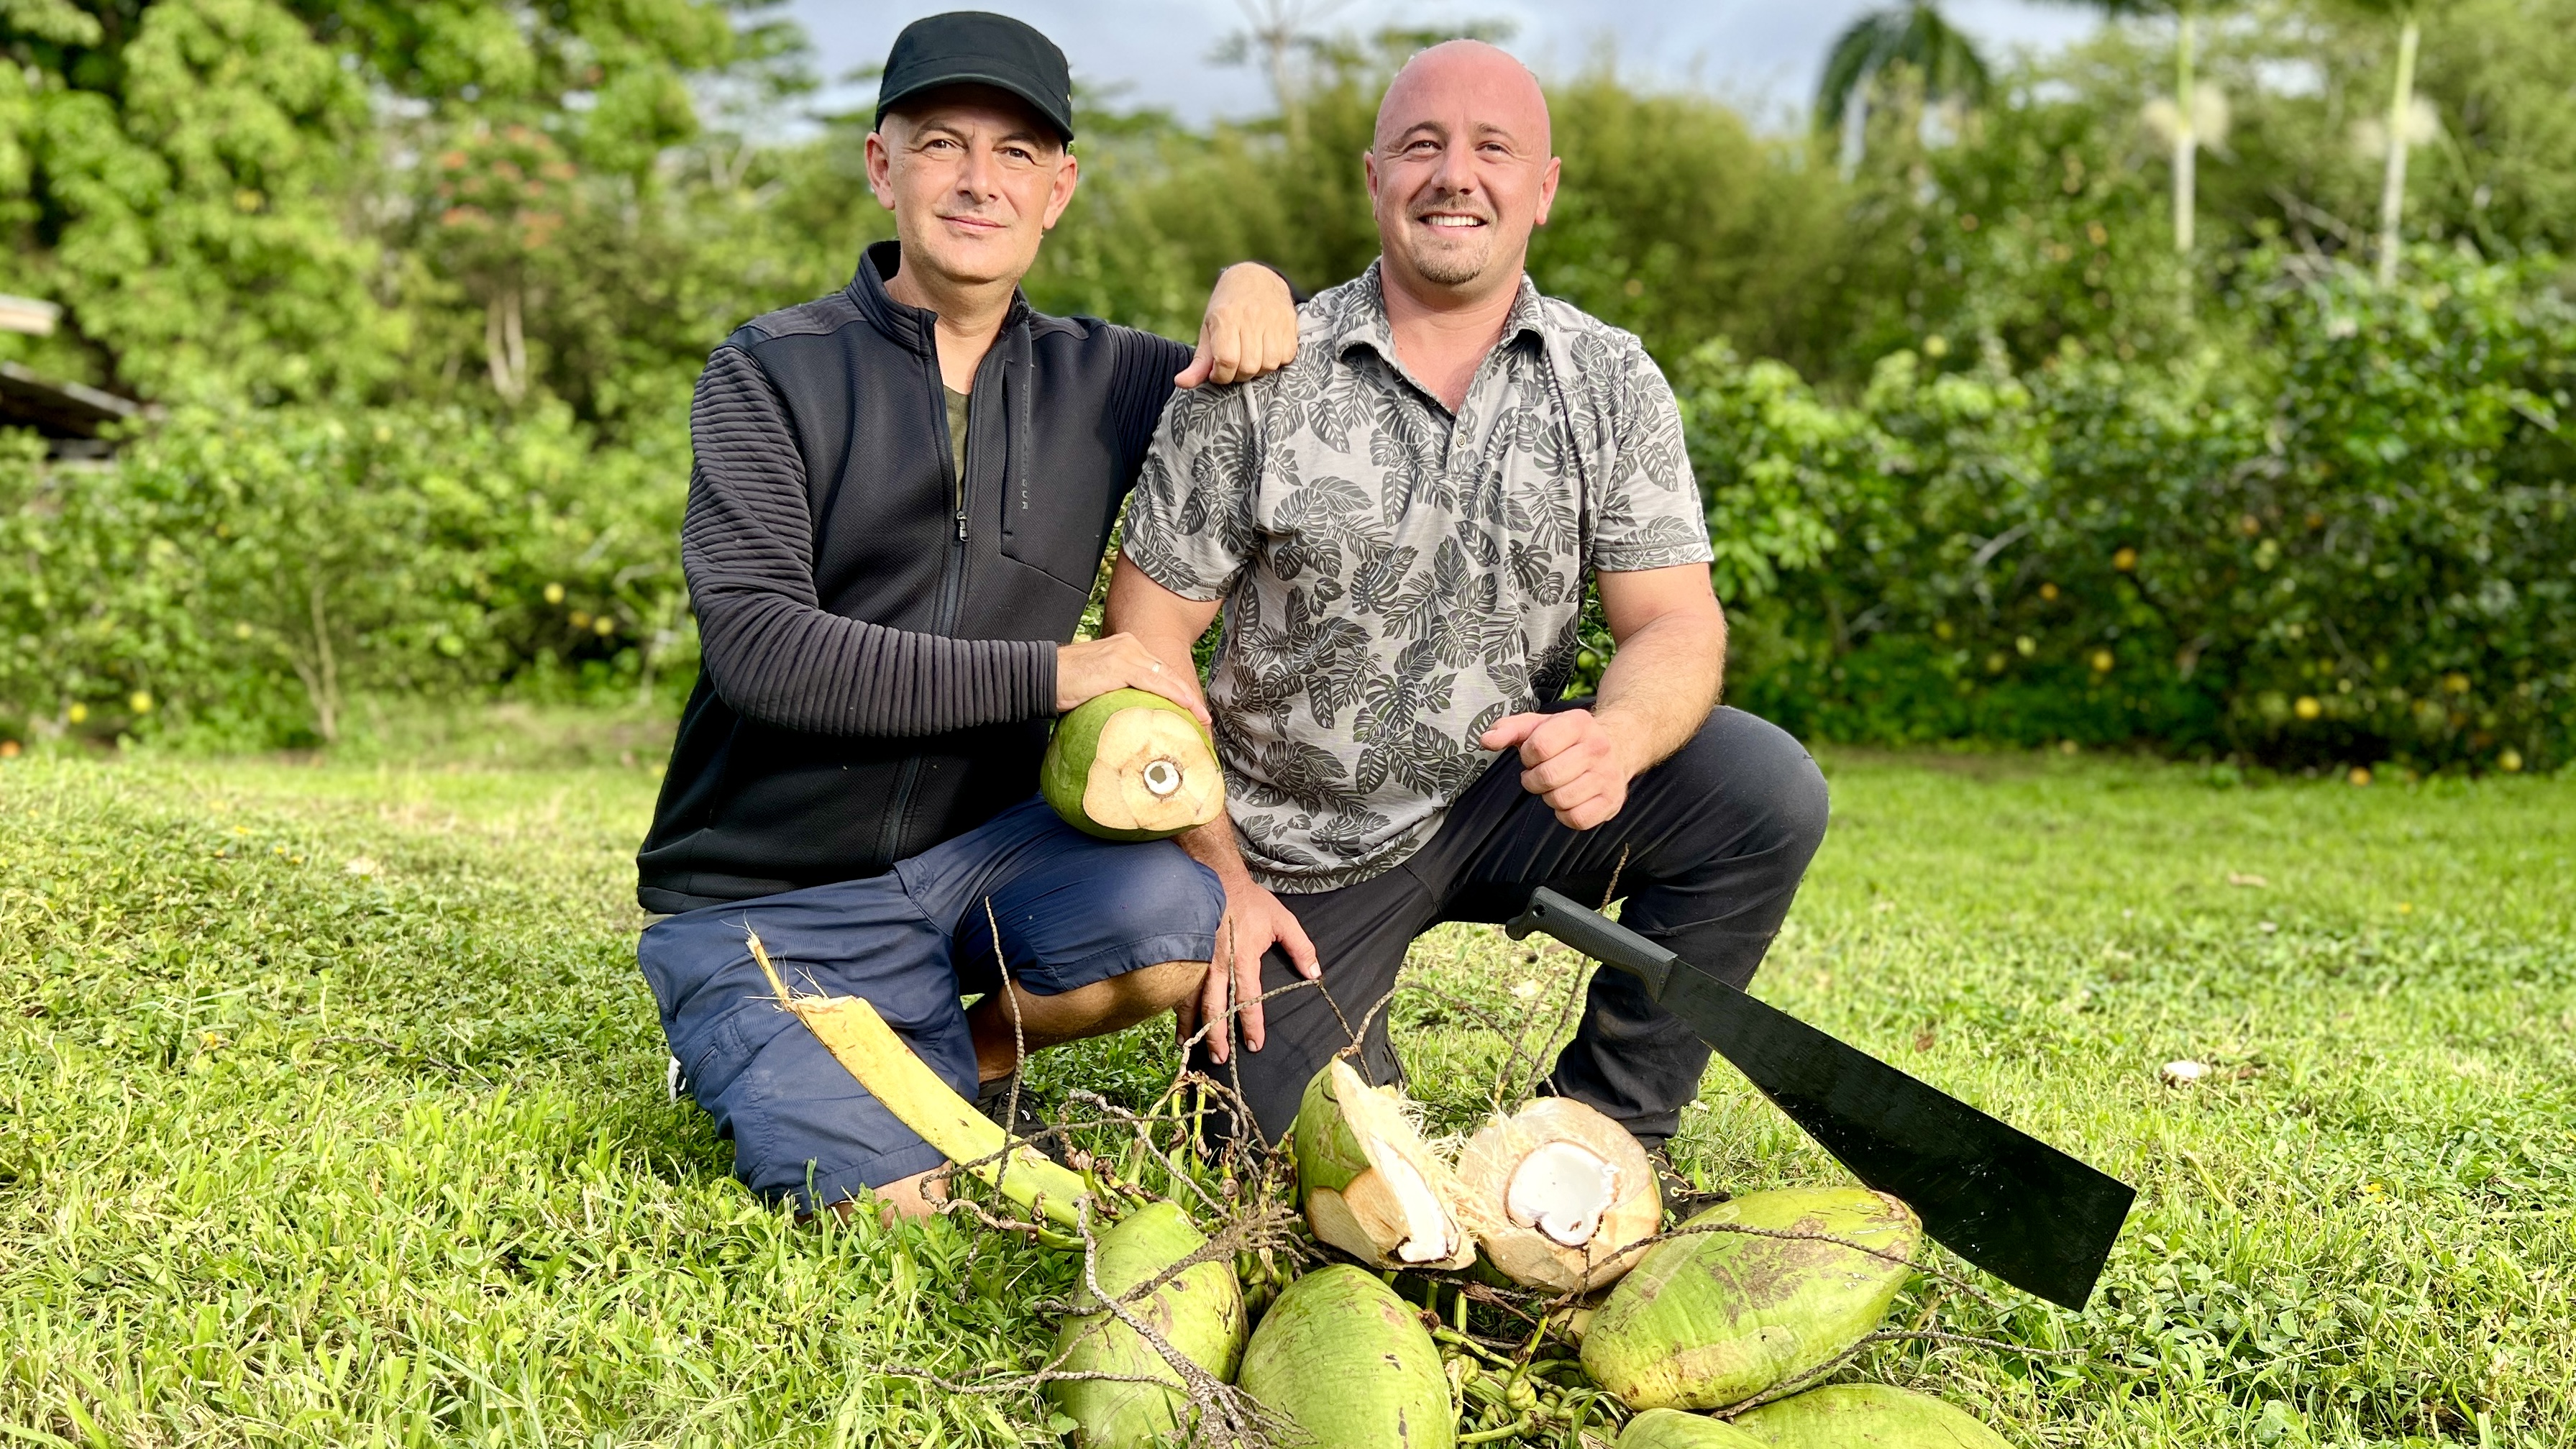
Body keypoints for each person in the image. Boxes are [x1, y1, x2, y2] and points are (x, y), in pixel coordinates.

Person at [1106, 40, 1832, 1167]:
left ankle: (1609, 1127)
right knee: (1261, 1157)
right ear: (1374, 178)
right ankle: (1341, 1025)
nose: (1455, 174)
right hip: (1291, 851)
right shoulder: (1262, 374)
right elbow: (1143, 643)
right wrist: (1220, 880)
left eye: (1493, 149)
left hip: (1504, 794)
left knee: (1761, 789)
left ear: (1541, 189)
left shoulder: (1610, 380)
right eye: (1421, 146)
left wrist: (1617, 735)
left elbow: (1676, 624)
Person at [634, 12, 1305, 1221]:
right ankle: (747, 1039)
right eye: (941, 142)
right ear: (881, 165)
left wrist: (1253, 285)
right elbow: (759, 651)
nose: (977, 180)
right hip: (763, 897)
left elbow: (1274, 388)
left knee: (1175, 916)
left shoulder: (1111, 379)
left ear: (1060, 188)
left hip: (973, 865)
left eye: (1015, 154)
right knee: (901, 1209)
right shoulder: (770, 369)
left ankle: (954, 1050)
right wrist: (1059, 674)